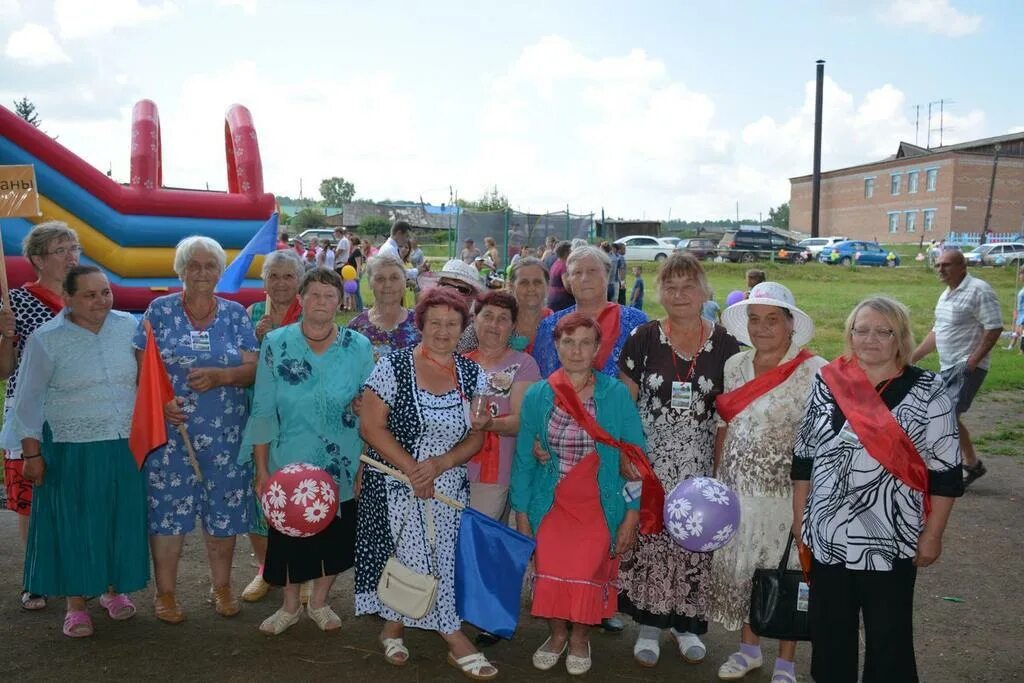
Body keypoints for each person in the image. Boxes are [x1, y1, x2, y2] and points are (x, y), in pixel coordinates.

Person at [792, 296, 963, 682]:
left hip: (892, 538)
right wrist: (799, 516)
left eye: (883, 331)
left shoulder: (928, 391)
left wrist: (933, 536)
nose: (870, 339)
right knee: (830, 633)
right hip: (827, 533)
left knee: (890, 637)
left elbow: (946, 472)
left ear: (900, 337)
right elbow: (804, 456)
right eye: (861, 329)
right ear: (850, 334)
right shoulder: (827, 380)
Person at [356, 287, 497, 680]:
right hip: (398, 482)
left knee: (440, 560)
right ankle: (454, 638)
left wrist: (440, 464)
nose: (442, 330)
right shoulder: (393, 366)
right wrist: (415, 469)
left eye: (452, 323)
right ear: (420, 325)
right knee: (419, 555)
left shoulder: (473, 374)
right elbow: (371, 426)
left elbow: (477, 436)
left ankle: (393, 627)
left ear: (463, 329)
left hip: (448, 484)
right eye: (434, 322)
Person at [2, 266, 148, 637]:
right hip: (69, 447)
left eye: (105, 292)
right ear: (67, 298)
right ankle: (75, 605)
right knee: (74, 524)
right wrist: (31, 455)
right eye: (89, 294)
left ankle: (114, 590)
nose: (101, 301)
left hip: (121, 443)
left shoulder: (129, 327)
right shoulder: (46, 339)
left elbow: (147, 379)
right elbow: (28, 402)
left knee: (116, 518)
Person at [616, 252, 741, 667]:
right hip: (650, 461)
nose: (680, 294)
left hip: (702, 464)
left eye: (688, 286)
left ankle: (687, 624)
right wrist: (625, 455)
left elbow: (733, 411)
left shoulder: (727, 346)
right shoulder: (643, 338)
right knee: (652, 541)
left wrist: (724, 469)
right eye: (670, 287)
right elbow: (623, 406)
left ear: (704, 289)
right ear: (660, 294)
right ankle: (650, 625)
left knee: (695, 543)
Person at [512, 312, 647, 675]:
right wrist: (522, 513)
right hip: (551, 501)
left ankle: (580, 638)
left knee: (588, 572)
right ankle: (557, 635)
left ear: (598, 348)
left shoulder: (615, 394)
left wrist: (632, 513)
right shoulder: (540, 394)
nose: (576, 350)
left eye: (585, 342)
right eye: (568, 341)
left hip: (599, 504)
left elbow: (636, 458)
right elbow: (525, 459)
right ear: (556, 345)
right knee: (550, 568)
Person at [134, 235, 259, 624]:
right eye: (194, 265)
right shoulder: (159, 310)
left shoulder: (235, 315)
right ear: (181, 270)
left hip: (225, 435)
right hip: (170, 436)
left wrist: (223, 376)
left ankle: (221, 586)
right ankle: (166, 594)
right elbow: (143, 366)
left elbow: (254, 369)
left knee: (223, 514)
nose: (202, 273)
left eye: (210, 266)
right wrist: (161, 401)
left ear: (220, 272)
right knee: (167, 516)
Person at [244, 268, 375, 635]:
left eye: (330, 296)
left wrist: (364, 463)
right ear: (300, 299)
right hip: (289, 461)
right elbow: (264, 409)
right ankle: (289, 607)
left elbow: (370, 406)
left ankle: (318, 602)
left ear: (340, 302)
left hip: (343, 461)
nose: (321, 302)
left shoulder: (359, 346)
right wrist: (261, 468)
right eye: (314, 295)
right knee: (288, 539)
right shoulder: (275, 342)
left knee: (335, 538)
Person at [706, 281, 825, 682]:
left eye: (773, 319)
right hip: (739, 486)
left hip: (785, 491)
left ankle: (786, 663)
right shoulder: (735, 366)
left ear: (791, 324)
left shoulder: (814, 370)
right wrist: (720, 481)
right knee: (747, 570)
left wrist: (806, 501)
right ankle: (748, 650)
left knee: (786, 571)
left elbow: (820, 440)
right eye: (755, 319)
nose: (762, 328)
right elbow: (725, 424)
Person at [0, 221, 80, 611]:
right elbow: (3, 370)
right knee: (32, 499)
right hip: (32, 413)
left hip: (80, 412)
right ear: (37, 259)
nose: (71, 256)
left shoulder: (86, 297)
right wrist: (4, 335)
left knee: (76, 496)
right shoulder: (15, 301)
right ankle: (36, 577)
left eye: (74, 248)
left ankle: (81, 573)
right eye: (61, 250)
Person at [240, 249, 305, 603]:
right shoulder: (250, 315)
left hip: (299, 421)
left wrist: (279, 335)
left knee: (297, 492)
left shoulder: (310, 315)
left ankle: (303, 573)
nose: (280, 283)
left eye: (288, 276)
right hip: (259, 416)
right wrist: (258, 338)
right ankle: (267, 570)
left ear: (300, 281)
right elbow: (242, 364)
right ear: (264, 281)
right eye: (273, 276)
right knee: (260, 494)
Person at [911, 249, 1002, 488]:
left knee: (946, 417)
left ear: (963, 267)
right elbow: (937, 332)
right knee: (946, 415)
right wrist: (914, 356)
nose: (941, 269)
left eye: (947, 265)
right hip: (948, 366)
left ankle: (952, 468)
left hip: (967, 366)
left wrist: (974, 360)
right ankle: (972, 465)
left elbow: (994, 327)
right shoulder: (946, 295)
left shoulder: (978, 290)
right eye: (938, 265)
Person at [466, 291, 541, 520]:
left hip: (493, 471)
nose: (494, 324)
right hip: (450, 467)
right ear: (474, 320)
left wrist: (490, 423)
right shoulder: (458, 361)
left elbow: (522, 421)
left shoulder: (523, 364)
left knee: (474, 538)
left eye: (503, 319)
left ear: (512, 326)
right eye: (487, 316)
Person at [534, 244, 648, 378]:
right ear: (568, 280)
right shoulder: (550, 326)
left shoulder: (637, 323)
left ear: (607, 274)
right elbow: (542, 380)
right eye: (577, 273)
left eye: (592, 271)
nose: (584, 278)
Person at [347, 255, 422, 360]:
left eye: (394, 278)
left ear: (405, 281)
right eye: (380, 279)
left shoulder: (421, 324)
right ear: (369, 282)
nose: (387, 284)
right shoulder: (355, 328)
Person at [508, 256, 552, 353]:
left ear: (547, 286)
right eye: (524, 283)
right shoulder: (495, 323)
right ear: (511, 287)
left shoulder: (559, 326)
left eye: (537, 282)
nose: (531, 288)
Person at [546, 241, 575, 312]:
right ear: (566, 253)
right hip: (563, 302)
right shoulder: (564, 266)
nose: (572, 252)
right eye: (570, 250)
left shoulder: (556, 264)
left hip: (553, 299)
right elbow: (568, 287)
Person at [346, 234, 366, 312]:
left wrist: (357, 275)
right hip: (352, 273)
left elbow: (358, 264)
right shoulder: (353, 250)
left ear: (353, 242)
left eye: (350, 241)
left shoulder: (357, 251)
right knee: (355, 292)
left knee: (357, 292)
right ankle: (357, 307)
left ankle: (360, 309)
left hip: (355, 273)